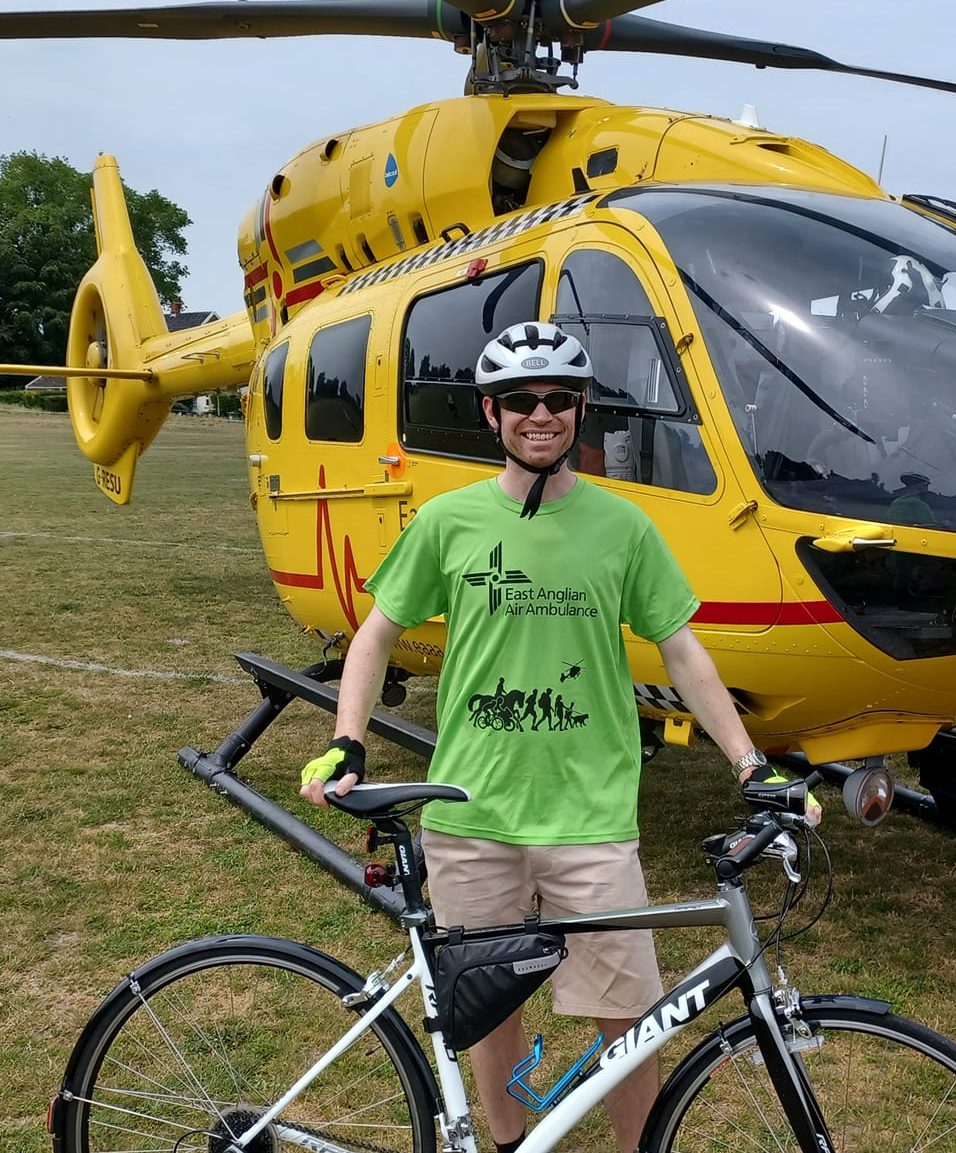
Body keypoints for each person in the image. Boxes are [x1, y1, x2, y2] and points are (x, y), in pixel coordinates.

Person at [299, 321, 816, 1153]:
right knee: (488, 1009)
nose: (539, 415)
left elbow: (682, 651)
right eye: (519, 401)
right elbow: (374, 633)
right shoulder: (448, 520)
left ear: (581, 409)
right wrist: (349, 739)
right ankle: (506, 1144)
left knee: (632, 1017)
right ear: (491, 414)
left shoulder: (624, 526)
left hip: (590, 815)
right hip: (472, 814)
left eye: (557, 400)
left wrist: (750, 762)